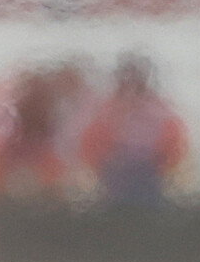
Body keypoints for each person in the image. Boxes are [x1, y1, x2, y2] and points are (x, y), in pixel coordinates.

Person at [78, 59, 189, 205]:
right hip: (113, 181)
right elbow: (91, 150)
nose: (132, 88)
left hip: (151, 181)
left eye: (137, 81)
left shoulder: (161, 111)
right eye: (127, 81)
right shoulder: (104, 112)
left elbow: (174, 150)